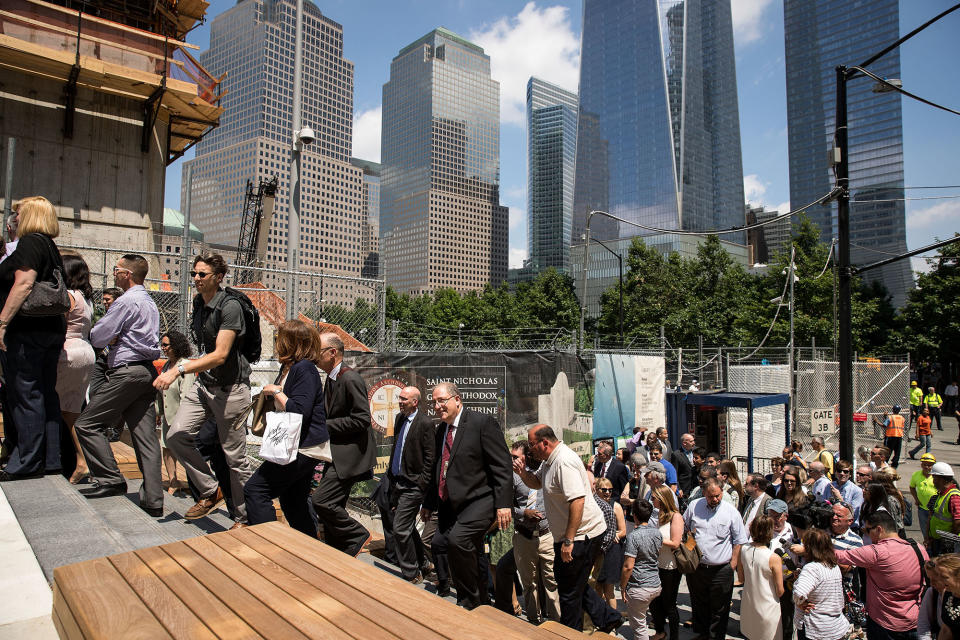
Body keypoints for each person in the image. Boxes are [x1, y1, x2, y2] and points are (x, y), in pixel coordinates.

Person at [157, 254, 253, 528]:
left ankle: (246, 518)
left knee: (235, 458)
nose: (196, 279)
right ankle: (211, 490)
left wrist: (178, 369)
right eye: (194, 274)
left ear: (219, 277)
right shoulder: (199, 304)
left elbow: (221, 354)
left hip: (231, 390)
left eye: (202, 274)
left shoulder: (230, 306)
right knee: (176, 436)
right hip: (205, 385)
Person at [72, 254, 162, 517]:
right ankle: (154, 500)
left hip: (127, 372)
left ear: (127, 275)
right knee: (146, 439)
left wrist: (112, 338)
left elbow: (98, 335)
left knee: (86, 423)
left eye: (116, 269)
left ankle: (110, 479)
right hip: (145, 372)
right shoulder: (149, 302)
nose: (114, 273)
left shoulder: (125, 302)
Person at [514, 424, 622, 633]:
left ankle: (570, 634)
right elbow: (537, 483)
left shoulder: (564, 461)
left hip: (582, 536)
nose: (530, 449)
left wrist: (569, 541)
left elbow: (578, 501)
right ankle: (608, 617)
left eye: (531, 444)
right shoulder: (549, 461)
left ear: (545, 442)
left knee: (569, 593)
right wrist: (522, 473)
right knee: (572, 583)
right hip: (571, 535)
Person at [421, 382, 512, 610]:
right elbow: (438, 468)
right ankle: (478, 598)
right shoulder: (442, 429)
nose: (437, 406)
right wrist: (429, 503)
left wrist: (503, 504)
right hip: (452, 504)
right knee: (444, 543)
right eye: (434, 402)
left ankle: (470, 601)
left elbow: (502, 466)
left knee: (458, 540)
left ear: (457, 400)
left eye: (442, 400)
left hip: (481, 500)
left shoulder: (482, 423)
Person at [0, 196, 67, 481]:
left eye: (18, 213)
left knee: (26, 394)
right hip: (50, 329)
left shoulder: (30, 243)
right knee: (45, 394)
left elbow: (24, 282)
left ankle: (26, 462)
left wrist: (2, 322)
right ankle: (50, 459)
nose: (14, 218)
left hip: (25, 331)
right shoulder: (50, 246)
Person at [243, 320, 330, 536]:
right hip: (293, 445)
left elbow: (300, 410)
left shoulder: (305, 369)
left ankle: (270, 542)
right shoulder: (289, 367)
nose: (275, 343)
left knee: (256, 490)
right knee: (293, 500)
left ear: (292, 342)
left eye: (278, 338)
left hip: (302, 447)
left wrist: (276, 392)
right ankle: (309, 550)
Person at [834, 510, 929, 639]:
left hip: (883, 624)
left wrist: (810, 546)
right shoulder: (918, 548)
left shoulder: (876, 552)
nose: (866, 535)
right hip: (914, 621)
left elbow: (840, 556)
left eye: (867, 530)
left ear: (879, 529)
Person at [683, 477, 748, 640]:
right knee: (700, 604)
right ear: (703, 493)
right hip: (698, 568)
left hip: (721, 570)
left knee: (720, 609)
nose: (715, 499)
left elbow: (739, 540)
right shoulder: (694, 506)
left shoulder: (730, 511)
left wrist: (732, 565)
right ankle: (703, 635)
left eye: (718, 495)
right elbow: (684, 528)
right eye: (711, 496)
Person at [386, 385, 435, 583]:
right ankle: (424, 564)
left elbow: (430, 457)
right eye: (400, 398)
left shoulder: (425, 423)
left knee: (399, 528)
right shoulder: (399, 419)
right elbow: (397, 447)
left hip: (414, 486)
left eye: (404, 399)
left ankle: (411, 573)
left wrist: (422, 483)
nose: (400, 401)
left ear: (415, 402)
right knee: (405, 526)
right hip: (398, 482)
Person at [57, 253, 96, 484]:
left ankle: (76, 461)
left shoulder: (69, 296)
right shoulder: (85, 297)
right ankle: (83, 460)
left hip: (68, 352)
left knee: (60, 409)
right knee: (72, 412)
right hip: (85, 351)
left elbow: (58, 325)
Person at [510, 440, 560, 624]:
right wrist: (524, 513)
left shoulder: (546, 471)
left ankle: (557, 623)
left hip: (547, 535)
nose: (512, 460)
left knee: (551, 581)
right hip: (524, 536)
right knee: (529, 583)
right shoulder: (512, 477)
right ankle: (534, 621)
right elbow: (505, 505)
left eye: (516, 457)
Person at [155, 331, 194, 495]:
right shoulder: (166, 365)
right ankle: (173, 480)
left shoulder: (185, 366)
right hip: (167, 415)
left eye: (165, 345)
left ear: (176, 345)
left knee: (185, 451)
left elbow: (187, 394)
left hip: (180, 417)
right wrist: (158, 412)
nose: (162, 348)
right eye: (162, 344)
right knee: (167, 448)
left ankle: (196, 484)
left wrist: (182, 417)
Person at [792, 529, 849, 640]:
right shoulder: (833, 565)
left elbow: (799, 593)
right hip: (835, 626)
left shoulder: (812, 568)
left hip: (815, 627)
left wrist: (800, 603)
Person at [620, 499, 662, 640]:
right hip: (655, 584)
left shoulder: (633, 536)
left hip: (639, 587)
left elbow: (628, 566)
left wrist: (622, 587)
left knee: (639, 627)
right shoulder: (657, 533)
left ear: (634, 515)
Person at [740, 514, 784, 640]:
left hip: (749, 605)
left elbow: (741, 578)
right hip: (768, 607)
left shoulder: (743, 549)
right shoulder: (773, 557)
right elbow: (780, 590)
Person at [649, 485, 683, 640]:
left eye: (654, 498)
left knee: (669, 604)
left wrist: (655, 537)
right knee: (655, 602)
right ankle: (660, 631)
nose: (652, 500)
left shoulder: (675, 516)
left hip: (670, 567)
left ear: (662, 499)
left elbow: (676, 543)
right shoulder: (659, 515)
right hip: (657, 564)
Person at [595, 477, 626, 610]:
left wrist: (614, 535)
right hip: (597, 550)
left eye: (610, 490)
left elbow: (623, 530)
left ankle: (612, 623)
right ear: (597, 490)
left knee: (609, 590)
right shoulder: (593, 504)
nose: (607, 493)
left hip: (611, 550)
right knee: (596, 588)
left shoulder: (616, 506)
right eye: (604, 490)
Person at [927, 463, 960, 556]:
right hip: (938, 540)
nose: (933, 482)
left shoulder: (954, 496)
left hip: (947, 544)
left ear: (942, 479)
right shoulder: (941, 494)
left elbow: (958, 522)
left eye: (935, 478)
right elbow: (932, 516)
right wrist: (929, 536)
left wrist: (950, 540)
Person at [593, 440, 630, 505]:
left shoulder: (619, 467)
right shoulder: (597, 464)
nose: (597, 455)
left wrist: (623, 507)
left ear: (607, 455)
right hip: (598, 503)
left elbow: (624, 488)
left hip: (613, 504)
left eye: (600, 454)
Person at [671, 432, 697, 499]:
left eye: (694, 440)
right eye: (691, 441)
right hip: (684, 488)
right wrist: (678, 488)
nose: (694, 443)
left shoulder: (696, 451)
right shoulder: (676, 455)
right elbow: (675, 473)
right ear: (684, 443)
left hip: (695, 486)